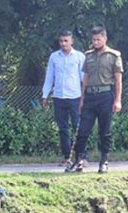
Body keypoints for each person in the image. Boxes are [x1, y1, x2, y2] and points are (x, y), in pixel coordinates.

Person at [68, 26, 123, 174]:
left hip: (106, 96)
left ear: (105, 39)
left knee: (105, 131)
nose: (96, 42)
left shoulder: (114, 55)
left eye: (99, 39)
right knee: (82, 131)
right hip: (90, 97)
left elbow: (118, 80)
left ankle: (104, 161)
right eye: (93, 39)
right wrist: (82, 99)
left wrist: (117, 100)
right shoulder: (89, 55)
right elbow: (85, 79)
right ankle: (79, 160)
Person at [42, 30, 85, 168]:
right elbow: (50, 77)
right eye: (61, 41)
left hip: (75, 97)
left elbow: (84, 79)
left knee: (77, 127)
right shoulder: (54, 57)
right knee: (63, 129)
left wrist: (85, 97)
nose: (63, 43)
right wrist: (45, 95)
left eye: (66, 40)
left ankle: (81, 157)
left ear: (72, 41)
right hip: (59, 97)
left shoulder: (79, 56)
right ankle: (67, 157)